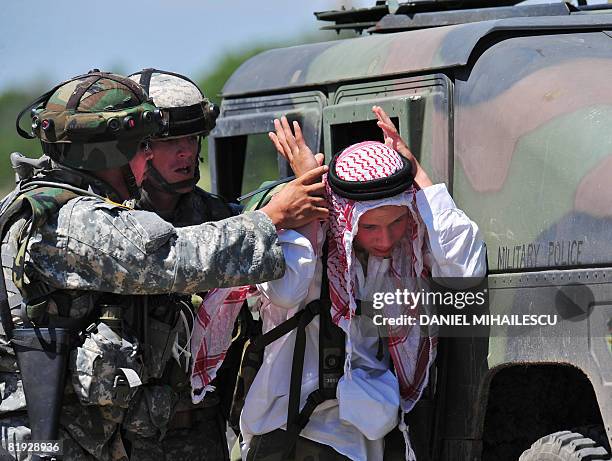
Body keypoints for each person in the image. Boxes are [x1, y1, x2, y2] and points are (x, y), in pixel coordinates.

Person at [0, 70, 328, 460]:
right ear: (113, 155)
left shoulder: (64, 206)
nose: (153, 157)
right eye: (144, 147)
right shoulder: (71, 220)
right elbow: (170, 258)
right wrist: (272, 217)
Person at [236, 107, 487, 460]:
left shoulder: (402, 256)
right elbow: (287, 290)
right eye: (370, 227)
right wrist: (312, 194)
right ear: (345, 218)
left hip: (368, 435)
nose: (385, 239)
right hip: (297, 428)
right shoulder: (312, 246)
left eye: (396, 222)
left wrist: (416, 172)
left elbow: (466, 271)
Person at [125, 68, 247, 460]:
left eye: (192, 138)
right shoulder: (110, 226)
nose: (186, 151)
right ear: (138, 147)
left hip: (203, 430)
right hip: (127, 439)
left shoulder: (218, 217)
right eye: (170, 140)